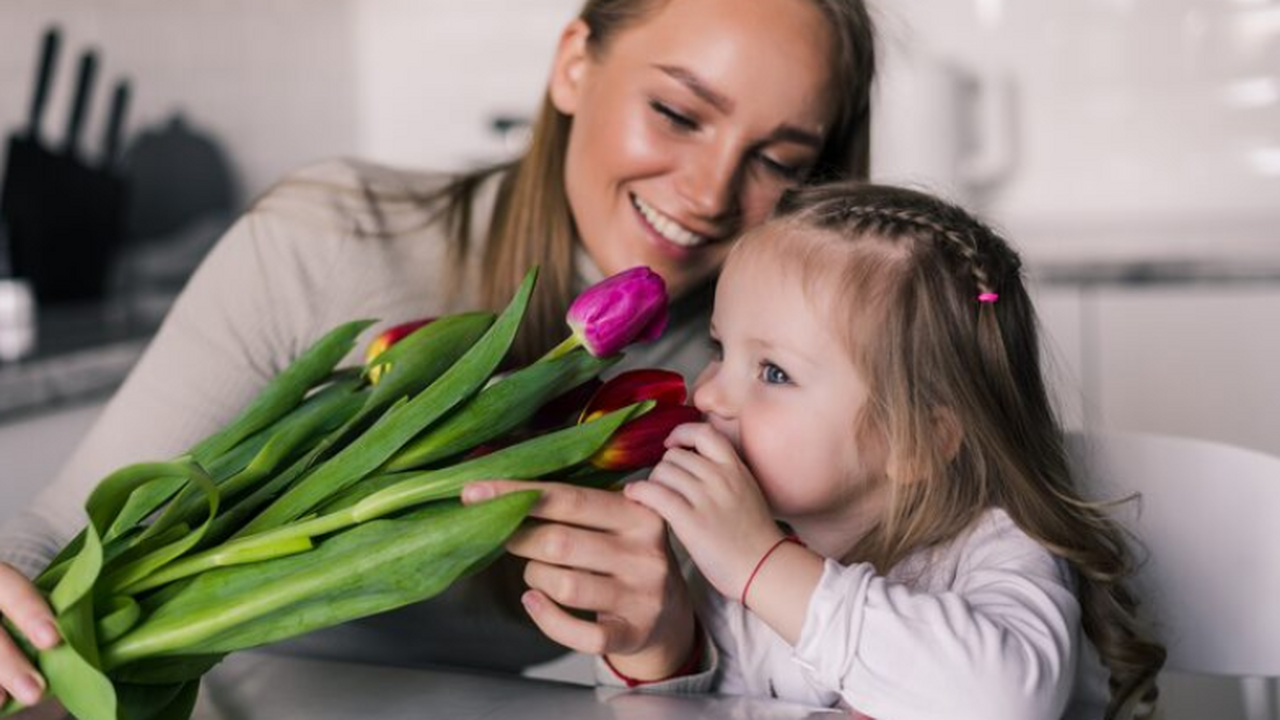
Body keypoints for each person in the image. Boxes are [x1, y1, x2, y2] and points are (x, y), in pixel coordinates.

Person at [0, 0, 877, 709]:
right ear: (574, 63)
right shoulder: (334, 239)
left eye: (777, 161)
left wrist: (664, 647)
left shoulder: (780, 383)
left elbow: (837, 681)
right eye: (678, 113)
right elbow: (59, 541)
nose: (710, 192)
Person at [611, 182, 1167, 719]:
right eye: (719, 347)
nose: (707, 393)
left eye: (773, 372)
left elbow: (1001, 702)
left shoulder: (998, 548)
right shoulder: (747, 547)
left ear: (917, 442)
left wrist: (760, 566)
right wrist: (659, 650)